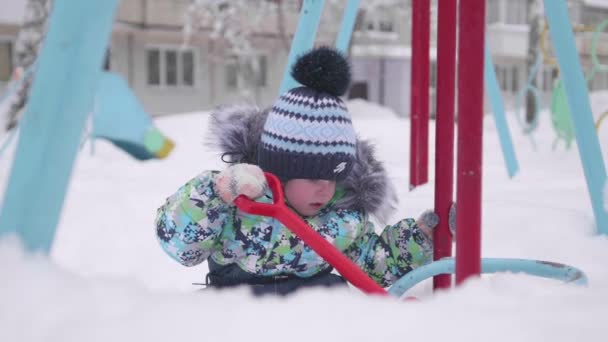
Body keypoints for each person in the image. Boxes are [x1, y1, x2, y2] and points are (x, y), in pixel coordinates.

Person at [155, 47, 445, 296]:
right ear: (280, 173)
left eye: (333, 177)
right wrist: (215, 195)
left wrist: (418, 240)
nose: (326, 188)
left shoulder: (343, 220)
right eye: (314, 177)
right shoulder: (240, 207)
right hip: (238, 319)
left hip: (315, 321)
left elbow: (376, 266)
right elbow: (180, 245)